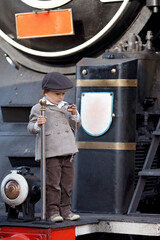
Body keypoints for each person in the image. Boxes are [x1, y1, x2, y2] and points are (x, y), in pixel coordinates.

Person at [27, 72, 81, 222]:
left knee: (67, 184)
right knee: (53, 184)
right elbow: (30, 127)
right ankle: (52, 212)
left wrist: (75, 115)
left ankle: (66, 210)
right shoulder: (38, 108)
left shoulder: (66, 107)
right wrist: (38, 124)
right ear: (46, 92)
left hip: (67, 151)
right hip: (51, 151)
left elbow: (75, 125)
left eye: (63, 93)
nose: (61, 97)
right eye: (57, 93)